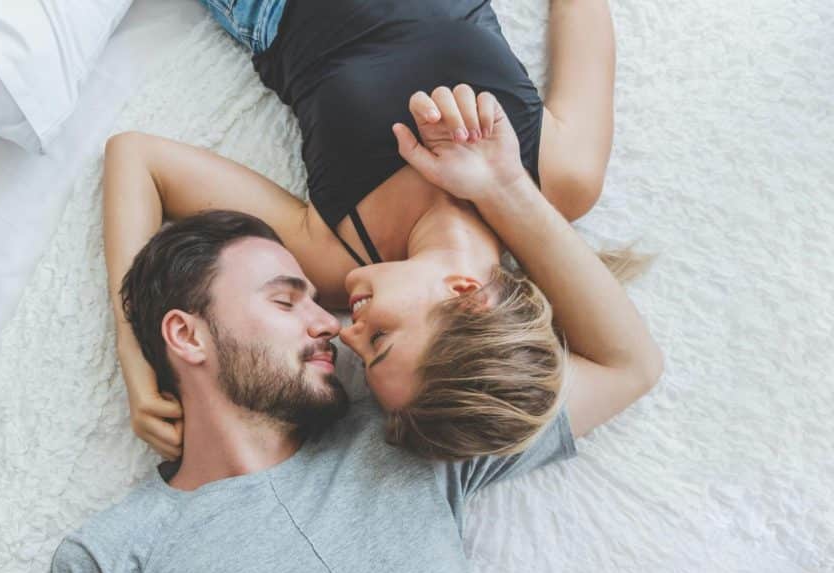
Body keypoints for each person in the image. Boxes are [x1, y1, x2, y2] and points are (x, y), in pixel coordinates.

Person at [35, 206, 580, 573]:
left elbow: (628, 365)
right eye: (284, 302)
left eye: (319, 303)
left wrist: (506, 185)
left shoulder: (408, 432)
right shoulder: (106, 565)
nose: (331, 324)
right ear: (187, 335)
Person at [105, 0, 662, 464]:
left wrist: (139, 363)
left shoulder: (336, 256)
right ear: (465, 296)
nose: (346, 333)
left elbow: (137, 159)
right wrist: (506, 187)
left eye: (361, 354)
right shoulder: (560, 176)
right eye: (380, 341)